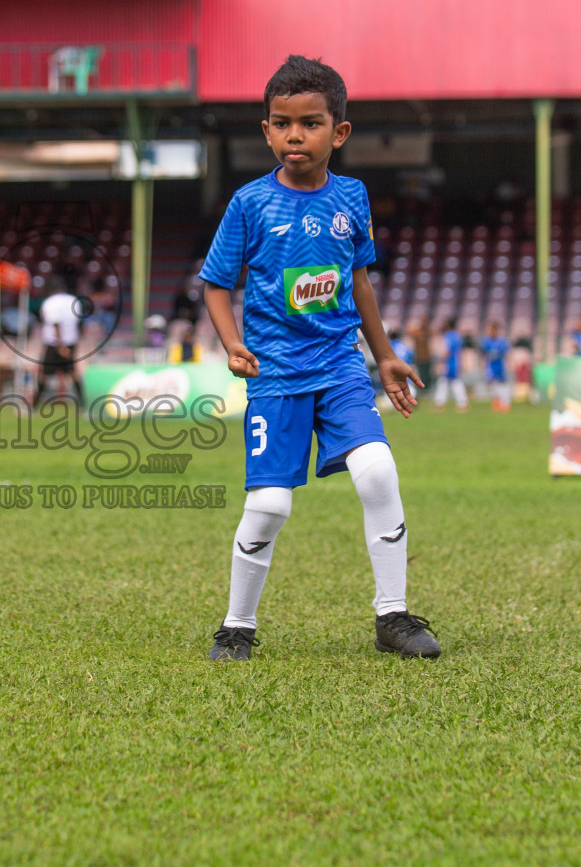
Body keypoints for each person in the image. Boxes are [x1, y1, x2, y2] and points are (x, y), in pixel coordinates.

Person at [199, 55, 440, 663]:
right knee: (270, 505)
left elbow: (359, 281)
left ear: (339, 133)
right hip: (276, 375)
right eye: (281, 123)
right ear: (267, 130)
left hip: (339, 368)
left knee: (379, 473)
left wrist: (383, 355)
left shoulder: (352, 197)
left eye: (309, 123)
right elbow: (216, 284)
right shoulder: (249, 204)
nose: (294, 135)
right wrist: (232, 343)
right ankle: (237, 626)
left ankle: (393, 616)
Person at [35, 277, 83, 406]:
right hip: (71, 341)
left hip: (54, 342)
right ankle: (83, 404)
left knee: (45, 373)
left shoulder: (50, 302)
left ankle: (35, 405)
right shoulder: (74, 300)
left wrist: (60, 346)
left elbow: (56, 323)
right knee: (72, 372)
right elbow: (77, 322)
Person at [432, 318, 468, 412]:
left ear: (448, 325)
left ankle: (443, 404)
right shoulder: (457, 336)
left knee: (448, 383)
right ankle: (460, 403)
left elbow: (446, 351)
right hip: (456, 363)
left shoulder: (448, 336)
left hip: (449, 364)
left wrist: (440, 362)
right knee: (448, 382)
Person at [481, 321, 512, 412]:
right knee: (491, 385)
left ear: (495, 330)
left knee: (502, 385)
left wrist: (509, 365)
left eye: (491, 329)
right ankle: (497, 401)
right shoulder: (486, 341)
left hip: (500, 366)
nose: (489, 331)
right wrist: (483, 365)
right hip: (490, 367)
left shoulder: (502, 341)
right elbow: (483, 354)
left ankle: (505, 403)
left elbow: (507, 353)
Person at [409, 317, 434, 394]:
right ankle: (422, 389)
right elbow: (410, 332)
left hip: (427, 358)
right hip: (420, 358)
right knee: (421, 374)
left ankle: (427, 389)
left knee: (427, 375)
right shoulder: (417, 332)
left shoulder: (427, 332)